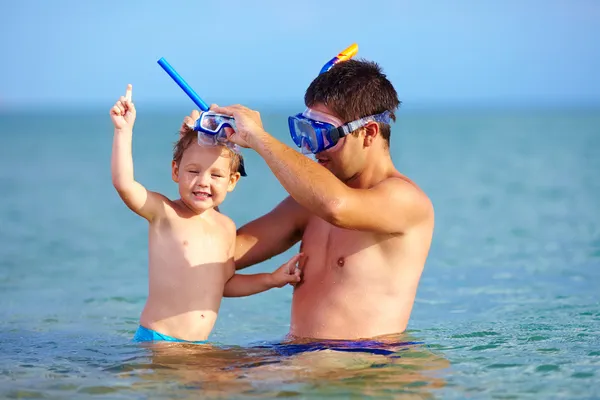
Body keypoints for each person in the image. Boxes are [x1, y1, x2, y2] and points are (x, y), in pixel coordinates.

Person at [183, 59, 434, 341]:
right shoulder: (308, 204)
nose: (311, 148)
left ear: (369, 133)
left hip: (365, 363)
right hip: (298, 358)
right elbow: (219, 254)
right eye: (306, 131)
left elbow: (336, 207)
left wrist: (257, 138)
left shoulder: (405, 201)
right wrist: (203, 168)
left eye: (323, 134)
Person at [110, 84, 301, 344]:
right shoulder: (165, 212)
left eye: (216, 175)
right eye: (193, 171)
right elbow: (125, 184)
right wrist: (123, 130)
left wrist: (271, 279)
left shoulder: (225, 227)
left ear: (232, 181)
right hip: (159, 341)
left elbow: (224, 284)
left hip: (197, 346)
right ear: (176, 171)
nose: (203, 182)